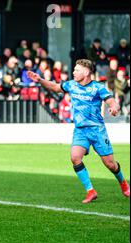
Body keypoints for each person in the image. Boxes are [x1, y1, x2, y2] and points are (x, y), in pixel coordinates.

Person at [27, 59, 130, 203]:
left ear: (86, 72)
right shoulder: (71, 85)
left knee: (110, 164)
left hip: (97, 131)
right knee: (75, 157)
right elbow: (55, 87)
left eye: (77, 70)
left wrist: (114, 108)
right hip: (80, 130)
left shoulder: (97, 87)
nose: (73, 72)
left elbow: (112, 101)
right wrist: (40, 80)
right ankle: (91, 191)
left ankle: (124, 184)